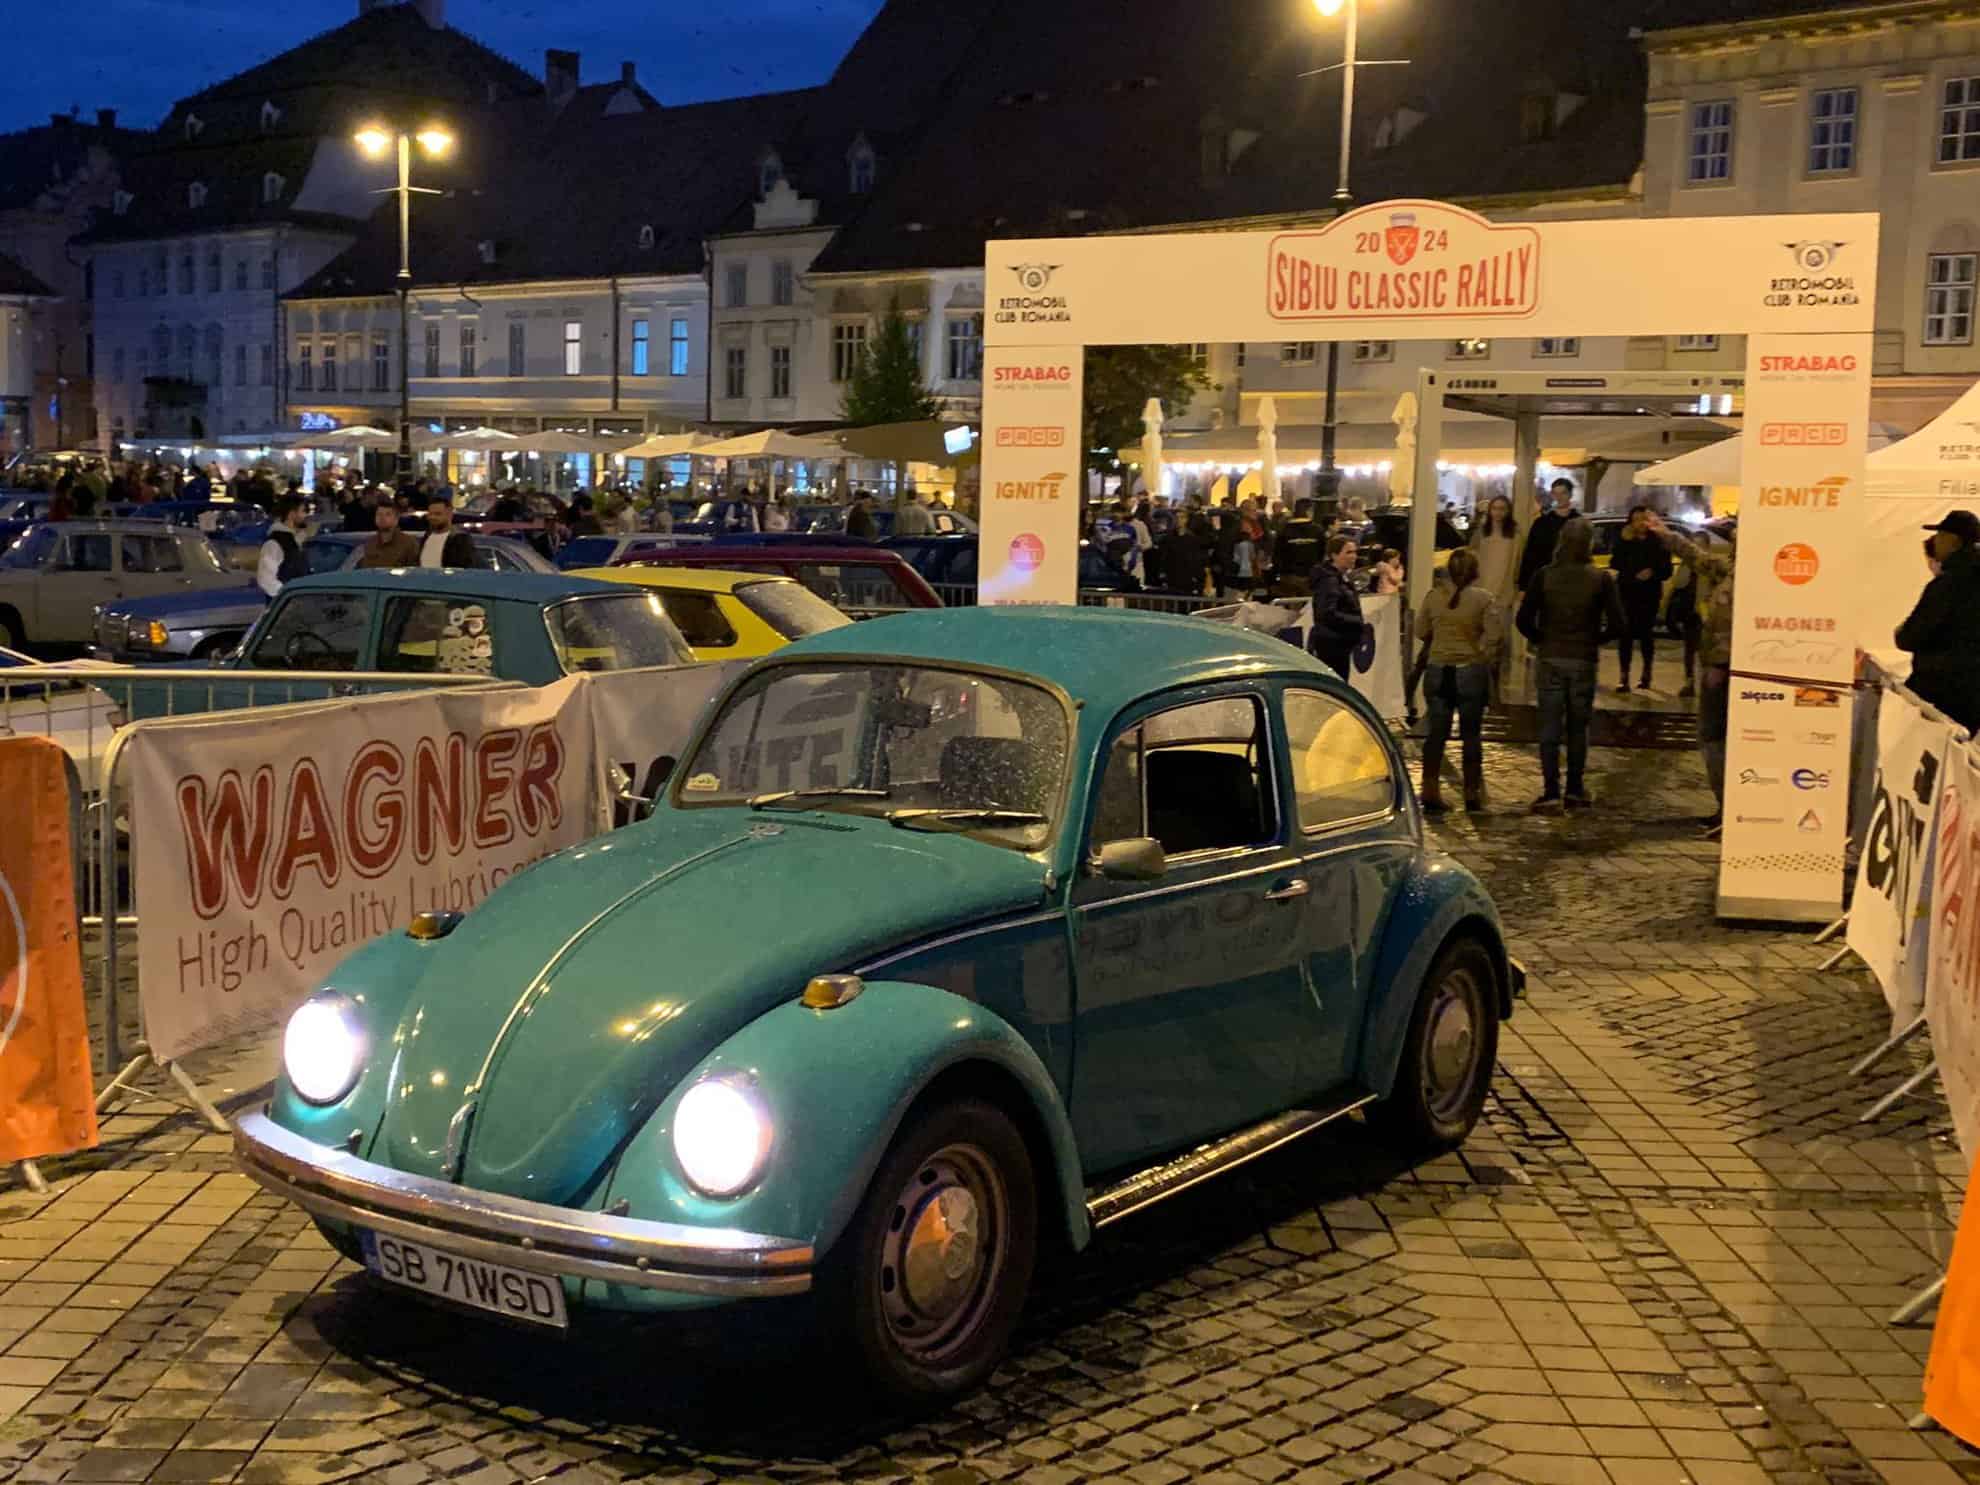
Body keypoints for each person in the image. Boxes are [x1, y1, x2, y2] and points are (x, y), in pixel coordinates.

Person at [1516, 518, 1624, 811]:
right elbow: (1618, 623)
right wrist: (1595, 639)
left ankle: (1551, 790)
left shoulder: (1544, 576)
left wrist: (1541, 638)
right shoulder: (1600, 579)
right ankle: (1575, 788)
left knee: (1550, 726)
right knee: (1578, 726)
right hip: (1583, 658)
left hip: (1550, 655)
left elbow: (1523, 619)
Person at [1417, 547, 1503, 814]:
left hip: (1437, 670)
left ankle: (1430, 789)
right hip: (1470, 671)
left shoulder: (1433, 597)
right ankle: (1472, 793)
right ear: (1475, 572)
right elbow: (1494, 636)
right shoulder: (1484, 599)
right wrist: (1481, 654)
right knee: (1471, 734)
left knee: (1436, 733)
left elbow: (1421, 630)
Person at [1897, 510, 1980, 733]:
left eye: (1940, 535)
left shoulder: (1947, 584)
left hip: (1938, 690)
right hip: (1972, 696)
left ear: (1953, 541)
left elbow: (1910, 636)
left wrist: (1902, 631)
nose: (1935, 541)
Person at [1610, 504, 1673, 693]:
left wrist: (1652, 572)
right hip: (1627, 593)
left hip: (1649, 594)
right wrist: (1631, 571)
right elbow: (1616, 563)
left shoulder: (1658, 542)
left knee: (1646, 635)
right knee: (1625, 636)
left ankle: (1646, 674)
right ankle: (1624, 676)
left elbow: (1666, 570)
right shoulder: (1623, 539)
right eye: (1636, 520)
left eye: (1643, 520)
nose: (1640, 524)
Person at [1307, 534, 1364, 681]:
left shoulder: (1340, 578)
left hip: (1339, 645)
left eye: (1355, 552)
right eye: (1348, 552)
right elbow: (1326, 613)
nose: (1354, 556)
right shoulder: (1329, 581)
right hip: (1332, 646)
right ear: (1334, 555)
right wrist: (1356, 621)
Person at [1517, 477, 1581, 593]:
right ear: (1552, 495)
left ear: (1570, 494)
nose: (1559, 497)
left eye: (1563, 493)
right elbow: (1530, 554)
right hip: (1547, 578)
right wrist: (1524, 585)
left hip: (1572, 579)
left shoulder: (1579, 522)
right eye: (1556, 493)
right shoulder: (1542, 523)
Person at [1471, 495, 1520, 610]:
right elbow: (1472, 552)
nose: (1498, 512)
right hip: (1482, 582)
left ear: (1508, 511)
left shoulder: (1514, 534)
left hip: (1504, 585)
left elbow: (1516, 560)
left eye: (1502, 509)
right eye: (1494, 508)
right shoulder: (1482, 531)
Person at [257, 496, 310, 598]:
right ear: (291, 514)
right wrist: (288, 596)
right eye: (303, 511)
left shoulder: (298, 539)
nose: (305, 515)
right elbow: (265, 579)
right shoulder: (274, 543)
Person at [1274, 498, 1325, 595]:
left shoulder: (1284, 530)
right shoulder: (1317, 530)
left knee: (1291, 605)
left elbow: (1277, 553)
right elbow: (1321, 553)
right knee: (1308, 606)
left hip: (1289, 576)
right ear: (1309, 511)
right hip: (1310, 576)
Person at [356, 499, 421, 569]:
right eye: (379, 514)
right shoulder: (370, 542)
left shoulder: (409, 543)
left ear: (396, 519)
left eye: (388, 514)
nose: (382, 517)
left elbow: (414, 572)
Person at [420, 496, 474, 568]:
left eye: (437, 514)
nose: (432, 517)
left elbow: (461, 568)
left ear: (449, 514)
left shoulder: (460, 539)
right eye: (430, 514)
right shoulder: (427, 536)